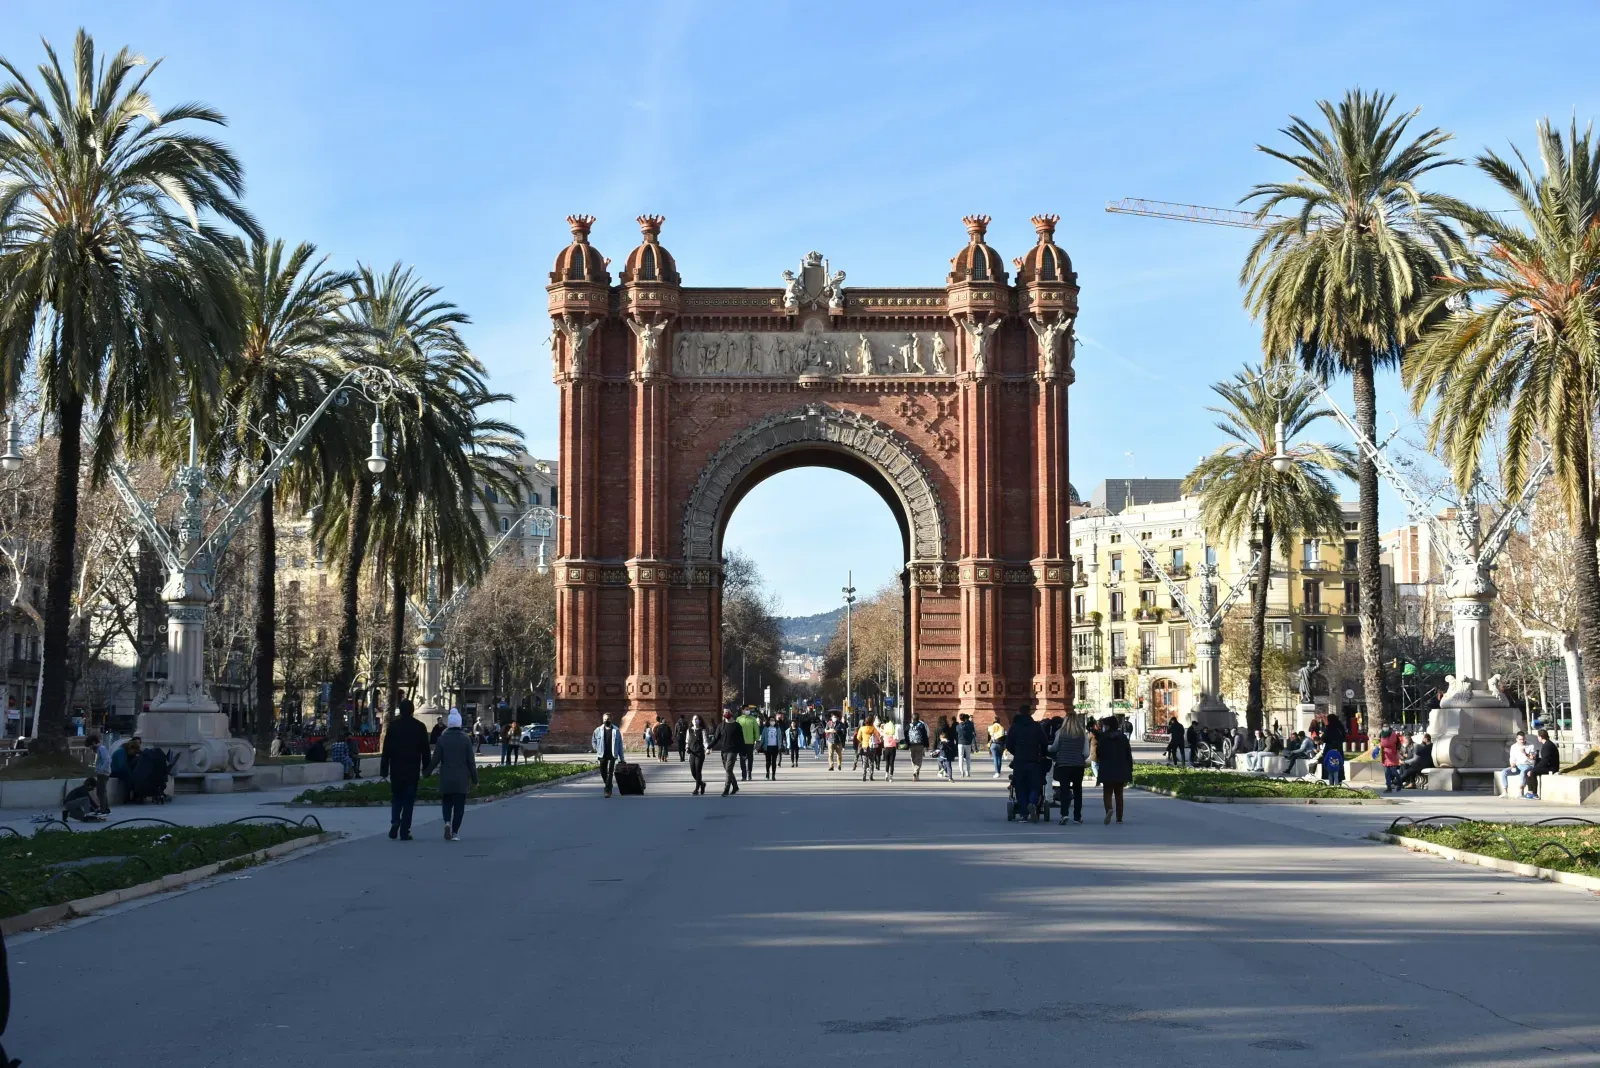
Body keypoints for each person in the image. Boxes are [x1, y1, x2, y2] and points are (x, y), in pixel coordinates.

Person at [380, 698, 431, 841]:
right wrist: (427, 769)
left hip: (396, 769)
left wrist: (384, 769)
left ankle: (395, 821)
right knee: (409, 800)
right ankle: (404, 830)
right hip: (412, 769)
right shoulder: (420, 727)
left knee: (396, 797)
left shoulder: (393, 727)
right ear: (412, 711)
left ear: (400, 711)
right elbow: (425, 751)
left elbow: (386, 750)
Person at [426, 709, 478, 840]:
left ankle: (447, 822)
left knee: (447, 802)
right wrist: (475, 779)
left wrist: (426, 773)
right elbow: (471, 762)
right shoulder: (466, 739)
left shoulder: (442, 739)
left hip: (446, 777)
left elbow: (435, 759)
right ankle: (455, 832)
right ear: (460, 723)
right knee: (459, 806)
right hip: (461, 779)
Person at [1005, 707, 1048, 821]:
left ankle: (1024, 813)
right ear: (1030, 713)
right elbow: (1044, 742)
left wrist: (1017, 753)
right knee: (1035, 784)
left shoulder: (1014, 727)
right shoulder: (1036, 726)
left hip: (1020, 761)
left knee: (1020, 786)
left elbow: (1008, 744)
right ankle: (1033, 803)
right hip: (1034, 760)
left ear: (1019, 712)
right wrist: (1042, 755)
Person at [1049, 712, 1089, 824]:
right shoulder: (1082, 733)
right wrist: (1078, 757)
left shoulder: (1060, 732)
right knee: (1077, 791)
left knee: (1064, 790)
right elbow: (1086, 753)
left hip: (1063, 765)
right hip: (1078, 766)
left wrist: (1048, 748)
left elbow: (1054, 748)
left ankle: (1064, 814)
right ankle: (1077, 817)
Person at [1095, 715, 1134, 823]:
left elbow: (1098, 753)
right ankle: (1119, 817)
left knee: (1107, 792)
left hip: (1107, 769)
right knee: (1119, 793)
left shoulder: (1103, 738)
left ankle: (1109, 809)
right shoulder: (1123, 738)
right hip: (1121, 769)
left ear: (1108, 726)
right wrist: (1130, 769)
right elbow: (1128, 755)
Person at [591, 712, 625, 798]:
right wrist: (596, 748)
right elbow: (593, 740)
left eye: (608, 719)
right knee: (603, 771)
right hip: (602, 754)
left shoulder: (616, 731)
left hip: (613, 754)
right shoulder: (598, 730)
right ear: (603, 720)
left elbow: (620, 745)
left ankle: (607, 790)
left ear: (611, 720)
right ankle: (609, 784)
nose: (606, 721)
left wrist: (622, 758)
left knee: (610, 772)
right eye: (605, 719)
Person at [1497, 731, 1537, 798]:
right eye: (1520, 739)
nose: (1522, 741)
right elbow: (1512, 757)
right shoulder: (1513, 747)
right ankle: (1505, 792)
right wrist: (1512, 764)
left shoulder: (1530, 746)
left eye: (1523, 739)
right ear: (1517, 739)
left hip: (1527, 765)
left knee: (1523, 772)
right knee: (1504, 772)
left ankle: (1520, 792)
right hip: (1517, 765)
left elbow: (1533, 758)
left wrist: (1525, 753)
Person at [1523, 729, 1560, 799]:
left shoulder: (1548, 746)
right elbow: (1543, 759)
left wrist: (1534, 769)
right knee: (1527, 771)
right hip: (1547, 765)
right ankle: (1530, 792)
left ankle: (1535, 794)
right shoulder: (1546, 744)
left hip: (1551, 768)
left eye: (1538, 736)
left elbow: (1545, 761)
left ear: (1541, 737)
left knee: (1532, 772)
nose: (1537, 738)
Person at [716, 710, 743, 796]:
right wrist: (708, 747)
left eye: (727, 712)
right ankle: (735, 786)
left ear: (731, 713)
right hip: (724, 751)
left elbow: (741, 739)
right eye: (724, 712)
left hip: (733, 751)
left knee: (728, 769)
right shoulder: (721, 726)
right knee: (729, 770)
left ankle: (726, 789)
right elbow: (716, 738)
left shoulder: (737, 725)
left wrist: (743, 751)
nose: (726, 713)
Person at [110, 735, 141, 801]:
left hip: (118, 770)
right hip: (113, 771)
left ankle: (132, 794)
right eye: (134, 751)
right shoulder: (121, 752)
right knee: (127, 775)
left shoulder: (125, 752)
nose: (133, 754)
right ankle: (129, 795)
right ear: (131, 749)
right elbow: (121, 766)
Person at [685, 714, 710, 795]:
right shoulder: (689, 730)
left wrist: (707, 749)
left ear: (699, 721)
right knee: (693, 771)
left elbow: (705, 742)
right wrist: (687, 748)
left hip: (699, 753)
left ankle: (696, 789)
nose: (696, 721)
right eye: (694, 719)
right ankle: (702, 784)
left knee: (698, 771)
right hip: (692, 753)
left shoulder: (702, 730)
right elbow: (687, 741)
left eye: (697, 719)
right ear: (692, 721)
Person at [87, 734, 111, 814]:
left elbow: (107, 760)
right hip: (103, 773)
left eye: (90, 745)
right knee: (102, 791)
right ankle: (106, 808)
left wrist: (100, 770)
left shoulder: (101, 749)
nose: (91, 748)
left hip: (103, 773)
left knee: (100, 792)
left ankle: (103, 809)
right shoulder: (100, 749)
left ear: (94, 742)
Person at [1378, 727, 1406, 793]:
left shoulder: (1393, 735)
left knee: (1393, 771)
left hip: (1392, 755)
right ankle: (1389, 787)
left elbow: (1398, 744)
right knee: (1387, 773)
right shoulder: (1381, 734)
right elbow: (1379, 743)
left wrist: (1397, 751)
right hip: (1385, 755)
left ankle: (1399, 783)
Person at [736, 707, 760, 781]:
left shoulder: (753, 719)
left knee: (750, 759)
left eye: (748, 710)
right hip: (741, 743)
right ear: (743, 710)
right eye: (746, 709)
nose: (747, 711)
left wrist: (757, 740)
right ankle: (743, 775)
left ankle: (749, 773)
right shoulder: (738, 719)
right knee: (742, 760)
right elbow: (736, 731)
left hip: (750, 742)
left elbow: (756, 730)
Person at [907, 713, 930, 781]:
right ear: (918, 718)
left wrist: (907, 744)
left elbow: (906, 734)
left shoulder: (909, 726)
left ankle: (915, 775)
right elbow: (925, 736)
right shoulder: (921, 725)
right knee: (919, 760)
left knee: (913, 760)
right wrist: (926, 745)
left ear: (912, 718)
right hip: (920, 745)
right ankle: (915, 772)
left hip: (911, 745)